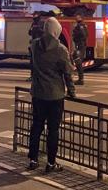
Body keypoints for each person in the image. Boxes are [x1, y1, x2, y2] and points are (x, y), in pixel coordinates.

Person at [27, 17, 75, 173]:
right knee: (53, 130)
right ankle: (51, 163)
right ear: (56, 31)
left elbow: (33, 65)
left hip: (38, 93)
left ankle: (33, 160)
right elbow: (67, 73)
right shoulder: (61, 50)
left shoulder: (35, 45)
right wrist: (72, 92)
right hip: (55, 95)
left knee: (36, 127)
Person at [70, 20, 87, 86]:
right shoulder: (83, 26)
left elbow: (81, 35)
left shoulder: (79, 27)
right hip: (80, 45)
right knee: (77, 60)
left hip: (80, 46)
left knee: (78, 61)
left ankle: (81, 79)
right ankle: (80, 79)